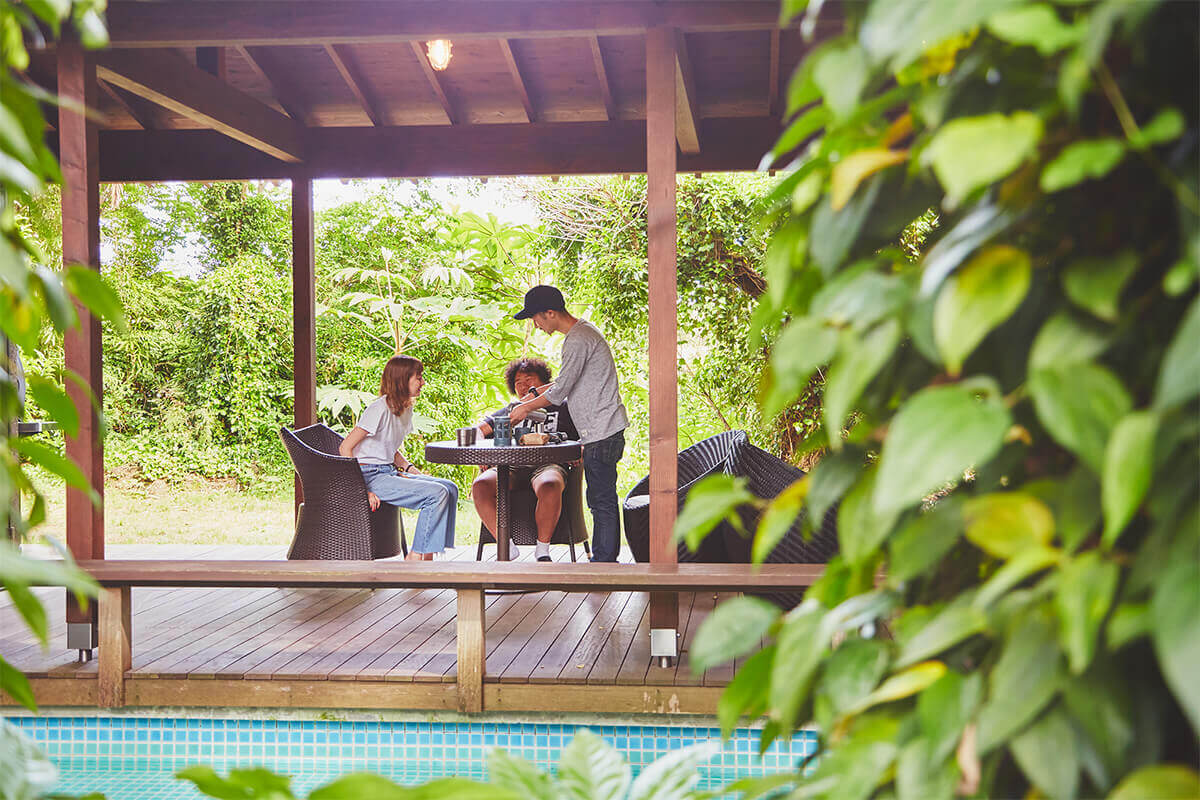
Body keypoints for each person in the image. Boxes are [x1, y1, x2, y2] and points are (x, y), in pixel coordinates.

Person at [508, 286, 628, 562]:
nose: (536, 325)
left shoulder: (577, 339)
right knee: (600, 498)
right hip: (602, 428)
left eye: (536, 318)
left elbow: (560, 393)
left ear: (550, 313)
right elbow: (565, 382)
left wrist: (525, 408)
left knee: (601, 500)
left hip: (602, 429)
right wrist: (535, 394)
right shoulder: (583, 333)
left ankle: (604, 563)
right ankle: (603, 559)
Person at [338, 354, 457, 561]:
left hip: (388, 472)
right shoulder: (379, 408)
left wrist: (412, 470)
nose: (423, 382)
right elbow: (345, 447)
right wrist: (360, 489)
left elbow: (390, 448)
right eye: (418, 378)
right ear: (402, 379)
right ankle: (415, 558)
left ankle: (427, 555)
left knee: (450, 488)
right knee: (436, 493)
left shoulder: (405, 408)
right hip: (369, 476)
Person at [471, 358, 580, 562]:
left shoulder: (563, 407)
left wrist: (579, 449)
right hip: (509, 467)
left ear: (544, 384)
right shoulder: (513, 409)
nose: (523, 386)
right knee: (480, 486)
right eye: (518, 382)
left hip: (548, 465)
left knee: (549, 484)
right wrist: (481, 453)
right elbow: (479, 430)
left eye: (529, 380)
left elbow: (584, 435)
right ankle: (506, 546)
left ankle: (543, 550)